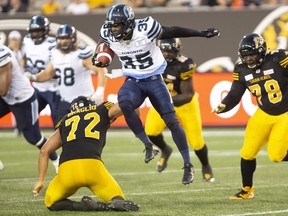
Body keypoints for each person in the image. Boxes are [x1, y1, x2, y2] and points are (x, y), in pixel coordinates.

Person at [92, 4, 220, 185]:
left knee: (171, 121)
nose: (114, 29)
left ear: (128, 24)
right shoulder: (107, 31)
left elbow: (172, 30)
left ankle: (188, 164)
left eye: (117, 25)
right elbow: (103, 44)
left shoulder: (145, 29)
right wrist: (97, 57)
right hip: (133, 79)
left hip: (153, 79)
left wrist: (200, 33)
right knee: (125, 103)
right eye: (112, 25)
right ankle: (148, 145)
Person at [212, 33, 288, 199]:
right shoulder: (241, 68)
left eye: (252, 54)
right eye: (246, 56)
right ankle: (246, 190)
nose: (249, 59)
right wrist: (224, 105)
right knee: (247, 152)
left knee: (277, 155)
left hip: (285, 113)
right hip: (264, 112)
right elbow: (234, 94)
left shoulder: (278, 58)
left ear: (261, 51)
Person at [33, 96, 140, 212]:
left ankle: (81, 206)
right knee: (117, 198)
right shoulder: (100, 110)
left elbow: (44, 151)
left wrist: (40, 180)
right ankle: (114, 202)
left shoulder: (65, 120)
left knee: (51, 202)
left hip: (67, 170)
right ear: (91, 105)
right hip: (93, 167)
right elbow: (125, 104)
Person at [145, 38, 215, 182]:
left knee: (196, 143)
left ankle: (206, 165)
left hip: (184, 105)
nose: (166, 53)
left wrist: (165, 101)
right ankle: (166, 149)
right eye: (164, 50)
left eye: (169, 50)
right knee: (151, 131)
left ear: (177, 50)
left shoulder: (184, 64)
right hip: (164, 102)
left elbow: (187, 95)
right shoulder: (153, 61)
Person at [25, 24, 107, 120]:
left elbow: (101, 69)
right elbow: (48, 73)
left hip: (84, 101)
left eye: (66, 38)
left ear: (73, 38)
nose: (63, 41)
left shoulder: (81, 54)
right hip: (64, 101)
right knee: (61, 132)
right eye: (61, 38)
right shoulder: (55, 53)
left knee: (84, 133)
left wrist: (99, 92)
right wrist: (33, 78)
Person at [0, 44, 59, 173]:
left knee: (33, 137)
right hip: (6, 98)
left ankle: (56, 159)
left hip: (22, 98)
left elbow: (3, 90)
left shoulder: (2, 54)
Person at [22, 15, 61, 127]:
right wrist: (27, 68)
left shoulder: (53, 45)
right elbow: (24, 60)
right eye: (33, 31)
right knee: (27, 118)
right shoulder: (27, 41)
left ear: (46, 30)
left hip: (54, 89)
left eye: (38, 31)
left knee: (58, 124)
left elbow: (58, 72)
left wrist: (39, 73)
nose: (35, 34)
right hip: (37, 88)